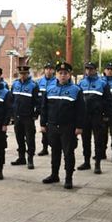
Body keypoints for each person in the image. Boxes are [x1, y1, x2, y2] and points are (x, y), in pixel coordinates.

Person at [40, 61, 84, 189]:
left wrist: (79, 127)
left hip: (68, 127)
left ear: (70, 75)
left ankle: (68, 178)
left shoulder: (76, 90)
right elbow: (44, 108)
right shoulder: (50, 89)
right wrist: (43, 123)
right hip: (53, 126)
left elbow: (81, 111)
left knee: (68, 153)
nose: (63, 75)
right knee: (55, 152)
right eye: (60, 73)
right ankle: (54, 175)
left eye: (65, 73)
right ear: (56, 74)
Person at [76, 61, 111, 174]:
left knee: (98, 140)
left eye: (91, 69)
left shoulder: (103, 83)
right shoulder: (81, 83)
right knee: (85, 140)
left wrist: (106, 115)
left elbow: (108, 101)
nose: (88, 71)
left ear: (95, 70)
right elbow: (78, 101)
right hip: (85, 116)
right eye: (87, 69)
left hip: (97, 116)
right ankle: (86, 162)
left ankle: (97, 164)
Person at [10, 65, 40, 169]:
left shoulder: (33, 85)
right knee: (19, 137)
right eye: (21, 74)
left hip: (28, 117)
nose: (22, 75)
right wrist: (11, 114)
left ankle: (30, 159)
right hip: (17, 116)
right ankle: (21, 157)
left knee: (30, 139)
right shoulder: (15, 84)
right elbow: (11, 100)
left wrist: (36, 114)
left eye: (24, 73)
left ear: (28, 74)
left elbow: (38, 102)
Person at [36, 62, 56, 156]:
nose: (48, 71)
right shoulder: (39, 82)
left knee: (52, 130)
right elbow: (36, 97)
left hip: (53, 110)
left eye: (50, 69)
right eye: (47, 69)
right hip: (42, 110)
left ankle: (54, 147)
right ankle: (45, 148)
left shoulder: (56, 81)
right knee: (44, 129)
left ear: (53, 70)